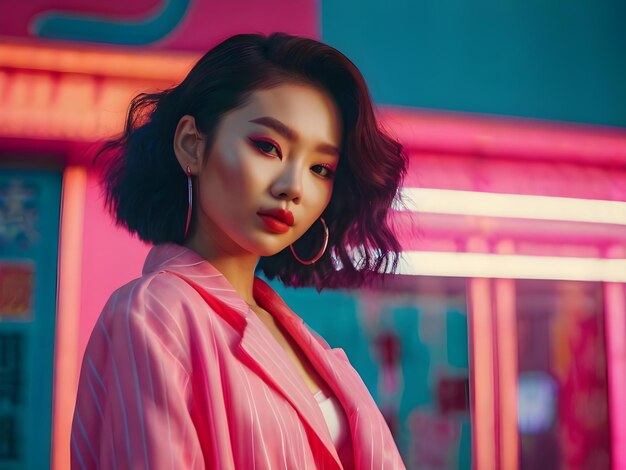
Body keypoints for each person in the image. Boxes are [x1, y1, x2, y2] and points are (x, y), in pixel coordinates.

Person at [71, 32, 408, 469]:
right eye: (267, 147)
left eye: (320, 168)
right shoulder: (155, 312)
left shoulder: (299, 337)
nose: (293, 187)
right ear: (192, 144)